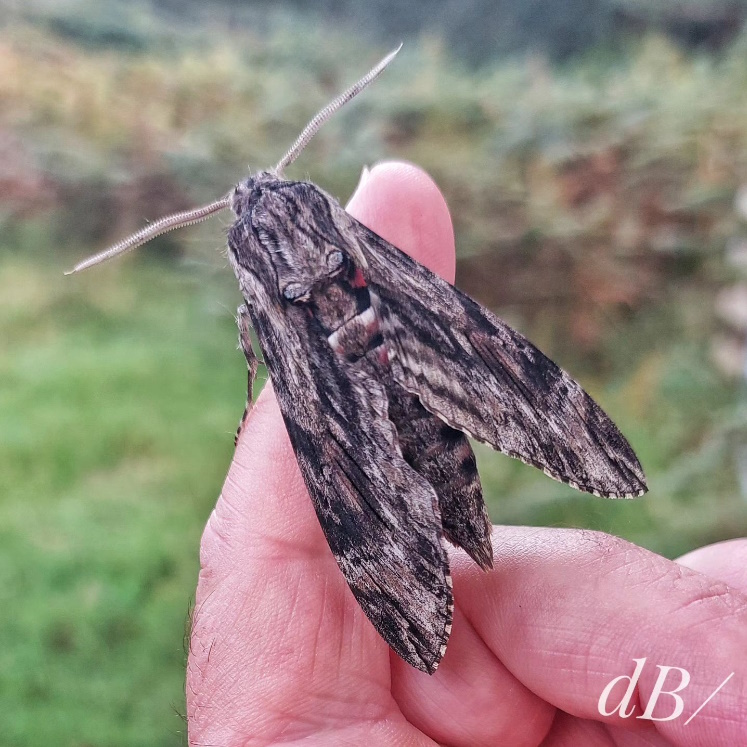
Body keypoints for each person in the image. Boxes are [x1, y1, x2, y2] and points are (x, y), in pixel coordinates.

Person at [186, 162, 747, 747]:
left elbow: (252, 326)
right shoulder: (302, 202)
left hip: (329, 390)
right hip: (392, 333)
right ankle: (425, 595)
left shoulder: (247, 249)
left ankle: (425, 594)